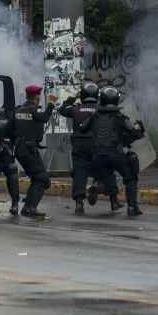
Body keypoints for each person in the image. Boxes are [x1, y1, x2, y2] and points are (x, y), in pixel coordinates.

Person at [79, 86, 145, 216]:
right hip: (115, 154)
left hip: (97, 155)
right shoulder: (119, 117)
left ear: (102, 99)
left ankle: (98, 187)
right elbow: (135, 133)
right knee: (130, 177)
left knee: (106, 174)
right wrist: (139, 127)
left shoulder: (95, 116)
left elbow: (83, 128)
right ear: (116, 101)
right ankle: (132, 207)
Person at [57, 82, 121, 214]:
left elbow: (62, 110)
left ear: (83, 94)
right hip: (97, 145)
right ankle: (113, 201)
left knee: (80, 173)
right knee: (107, 169)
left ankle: (79, 204)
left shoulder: (76, 109)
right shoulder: (101, 109)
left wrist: (71, 99)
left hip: (79, 146)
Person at [12, 84, 57, 218]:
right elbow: (44, 117)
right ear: (37, 98)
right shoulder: (33, 110)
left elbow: (9, 128)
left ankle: (28, 208)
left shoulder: (18, 110)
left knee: (37, 178)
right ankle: (30, 208)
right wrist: (51, 103)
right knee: (42, 179)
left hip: (20, 149)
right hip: (29, 150)